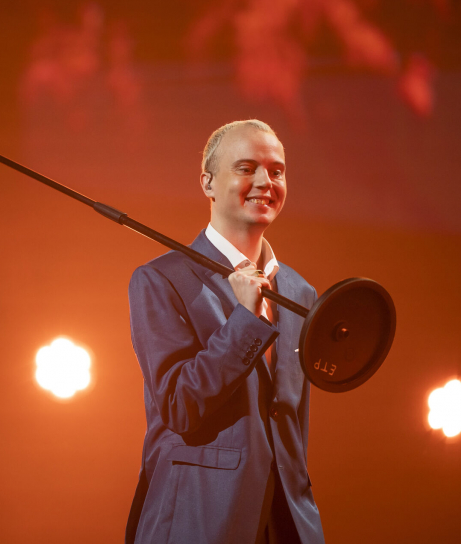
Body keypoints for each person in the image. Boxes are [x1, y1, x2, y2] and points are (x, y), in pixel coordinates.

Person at [125, 120, 325, 544]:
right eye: (247, 168)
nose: (265, 182)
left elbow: (292, 421)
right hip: (198, 519)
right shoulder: (162, 279)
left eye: (276, 171)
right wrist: (245, 321)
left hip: (287, 521)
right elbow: (179, 406)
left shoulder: (299, 291)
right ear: (208, 183)